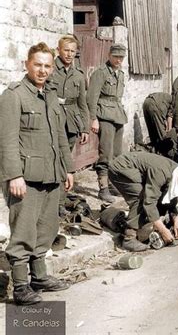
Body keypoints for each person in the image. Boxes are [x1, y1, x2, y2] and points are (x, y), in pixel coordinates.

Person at [0, 42, 74, 305]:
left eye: (47, 66)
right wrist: (13, 176)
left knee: (47, 227)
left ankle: (40, 277)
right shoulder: (14, 95)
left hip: (52, 174)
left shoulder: (51, 96)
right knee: (23, 230)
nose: (42, 70)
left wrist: (67, 169)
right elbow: (6, 140)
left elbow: (60, 136)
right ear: (26, 65)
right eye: (37, 65)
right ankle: (21, 286)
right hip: (25, 177)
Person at [109, 152, 178, 251]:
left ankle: (140, 221)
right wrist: (163, 229)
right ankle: (129, 239)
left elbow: (172, 196)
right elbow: (149, 202)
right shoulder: (161, 172)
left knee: (157, 196)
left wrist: (176, 221)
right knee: (141, 198)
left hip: (134, 169)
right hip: (121, 168)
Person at [47, 35, 89, 216]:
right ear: (58, 50)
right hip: (51, 119)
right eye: (66, 50)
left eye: (73, 51)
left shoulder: (79, 75)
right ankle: (47, 202)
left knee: (66, 162)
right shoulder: (49, 69)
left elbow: (83, 103)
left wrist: (85, 127)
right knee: (50, 161)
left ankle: (60, 203)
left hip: (71, 122)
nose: (69, 54)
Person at [87, 44, 128, 203]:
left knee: (117, 154)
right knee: (105, 154)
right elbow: (91, 97)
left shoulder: (121, 74)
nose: (118, 60)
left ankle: (113, 185)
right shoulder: (100, 73)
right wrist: (93, 118)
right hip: (104, 116)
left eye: (121, 57)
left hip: (118, 115)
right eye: (116, 56)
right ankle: (103, 189)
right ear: (109, 55)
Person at [143, 92, 176, 157]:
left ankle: (154, 150)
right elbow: (170, 117)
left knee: (152, 131)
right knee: (162, 135)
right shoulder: (176, 101)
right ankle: (165, 154)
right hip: (155, 105)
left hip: (146, 102)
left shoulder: (168, 96)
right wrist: (169, 131)